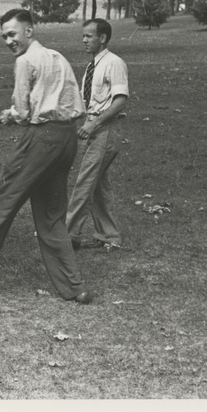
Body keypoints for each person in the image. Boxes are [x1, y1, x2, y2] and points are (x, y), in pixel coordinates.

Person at [0, 8, 92, 304]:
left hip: (41, 139)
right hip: (67, 138)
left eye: (13, 34)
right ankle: (75, 288)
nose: (9, 41)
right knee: (51, 216)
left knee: (2, 206)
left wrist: (11, 114)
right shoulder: (57, 57)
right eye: (4, 36)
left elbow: (22, 112)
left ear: (29, 31)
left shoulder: (25, 61)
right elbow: (75, 102)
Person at [67, 18, 129, 250]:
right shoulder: (93, 65)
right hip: (93, 127)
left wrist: (94, 124)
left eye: (88, 36)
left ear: (102, 38)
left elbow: (120, 100)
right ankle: (109, 236)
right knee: (99, 185)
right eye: (83, 36)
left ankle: (69, 235)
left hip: (106, 129)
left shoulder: (114, 63)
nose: (84, 40)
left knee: (85, 182)